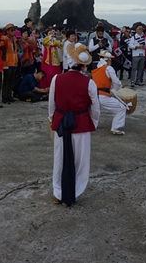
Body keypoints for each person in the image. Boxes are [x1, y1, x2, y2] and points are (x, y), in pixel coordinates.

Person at [49, 43, 100, 207]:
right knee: (81, 161)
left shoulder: (57, 79)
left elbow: (52, 103)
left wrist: (53, 119)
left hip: (62, 122)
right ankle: (74, 192)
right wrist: (93, 123)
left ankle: (58, 192)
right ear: (84, 65)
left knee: (59, 158)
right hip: (81, 124)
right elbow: (95, 108)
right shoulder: (89, 83)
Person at [91, 51, 126, 135]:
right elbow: (116, 83)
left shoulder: (95, 69)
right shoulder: (108, 68)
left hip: (94, 95)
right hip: (103, 96)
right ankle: (115, 128)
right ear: (108, 60)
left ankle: (92, 126)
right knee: (121, 108)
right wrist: (119, 87)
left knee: (95, 111)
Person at [0, 24, 20, 104]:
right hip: (7, 63)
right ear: (7, 31)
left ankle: (9, 95)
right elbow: (1, 46)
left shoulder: (14, 39)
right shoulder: (5, 39)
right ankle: (4, 97)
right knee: (6, 81)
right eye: (12, 30)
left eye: (14, 30)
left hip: (14, 62)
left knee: (11, 81)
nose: (13, 32)